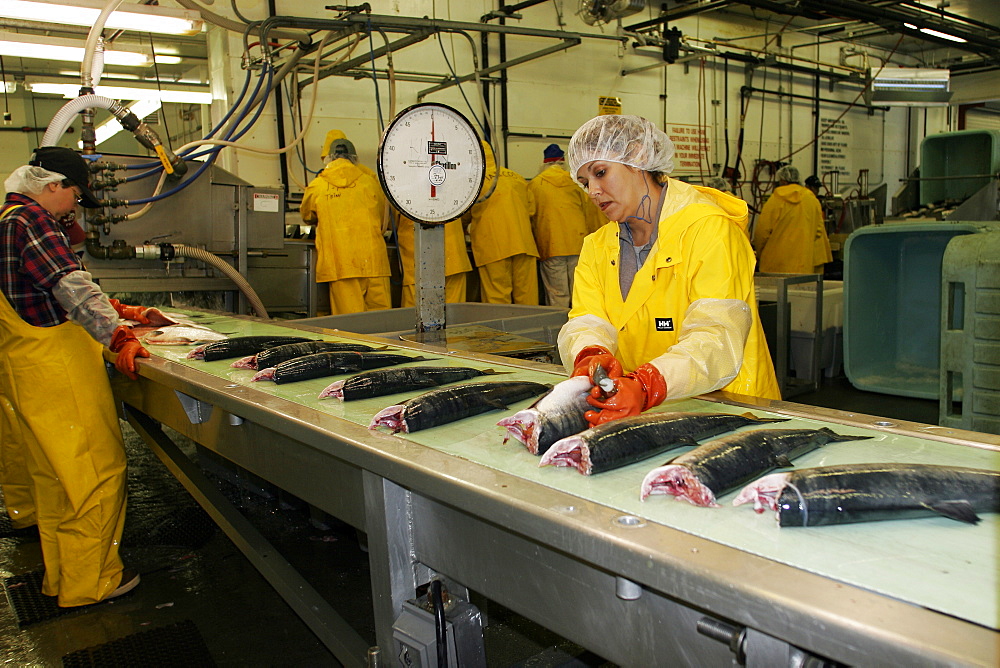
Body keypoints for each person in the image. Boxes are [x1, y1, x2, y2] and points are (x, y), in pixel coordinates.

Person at [0, 146, 163, 606]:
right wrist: (119, 337)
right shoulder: (31, 223)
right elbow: (70, 287)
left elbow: (49, 290)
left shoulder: (6, 220)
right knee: (93, 474)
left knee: (56, 482)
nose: (75, 204)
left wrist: (121, 311)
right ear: (53, 185)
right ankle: (93, 583)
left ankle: (66, 578)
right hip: (59, 376)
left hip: (28, 372)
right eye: (74, 193)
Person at [558, 115, 781, 426]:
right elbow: (587, 318)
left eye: (600, 172)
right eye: (584, 182)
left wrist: (646, 384)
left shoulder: (709, 230)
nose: (593, 191)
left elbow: (715, 337)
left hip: (731, 410)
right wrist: (589, 354)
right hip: (642, 409)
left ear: (636, 156)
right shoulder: (598, 245)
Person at [301, 137, 391, 314]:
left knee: (351, 327)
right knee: (383, 323)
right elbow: (383, 218)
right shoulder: (370, 183)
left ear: (328, 159)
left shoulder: (317, 186)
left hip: (341, 265)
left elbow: (307, 215)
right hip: (374, 263)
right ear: (354, 158)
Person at [527, 143, 608, 308]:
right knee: (579, 291)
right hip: (578, 244)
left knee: (557, 294)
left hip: (551, 246)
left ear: (544, 163)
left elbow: (530, 215)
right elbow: (590, 213)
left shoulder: (535, 184)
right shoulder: (576, 184)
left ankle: (560, 329)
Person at [463, 142, 540, 304]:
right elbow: (531, 211)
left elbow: (462, 215)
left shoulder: (473, 181)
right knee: (528, 300)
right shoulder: (517, 178)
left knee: (497, 299)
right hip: (524, 245)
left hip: (493, 247)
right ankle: (531, 329)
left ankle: (500, 331)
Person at [752, 165, 832, 275]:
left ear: (783, 181)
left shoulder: (775, 200)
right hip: (803, 266)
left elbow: (762, 233)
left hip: (774, 265)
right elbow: (818, 232)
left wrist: (761, 254)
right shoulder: (813, 201)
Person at [396, 210, 472, 306]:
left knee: (415, 316)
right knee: (454, 315)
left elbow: (390, 220)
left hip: (419, 261)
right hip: (453, 257)